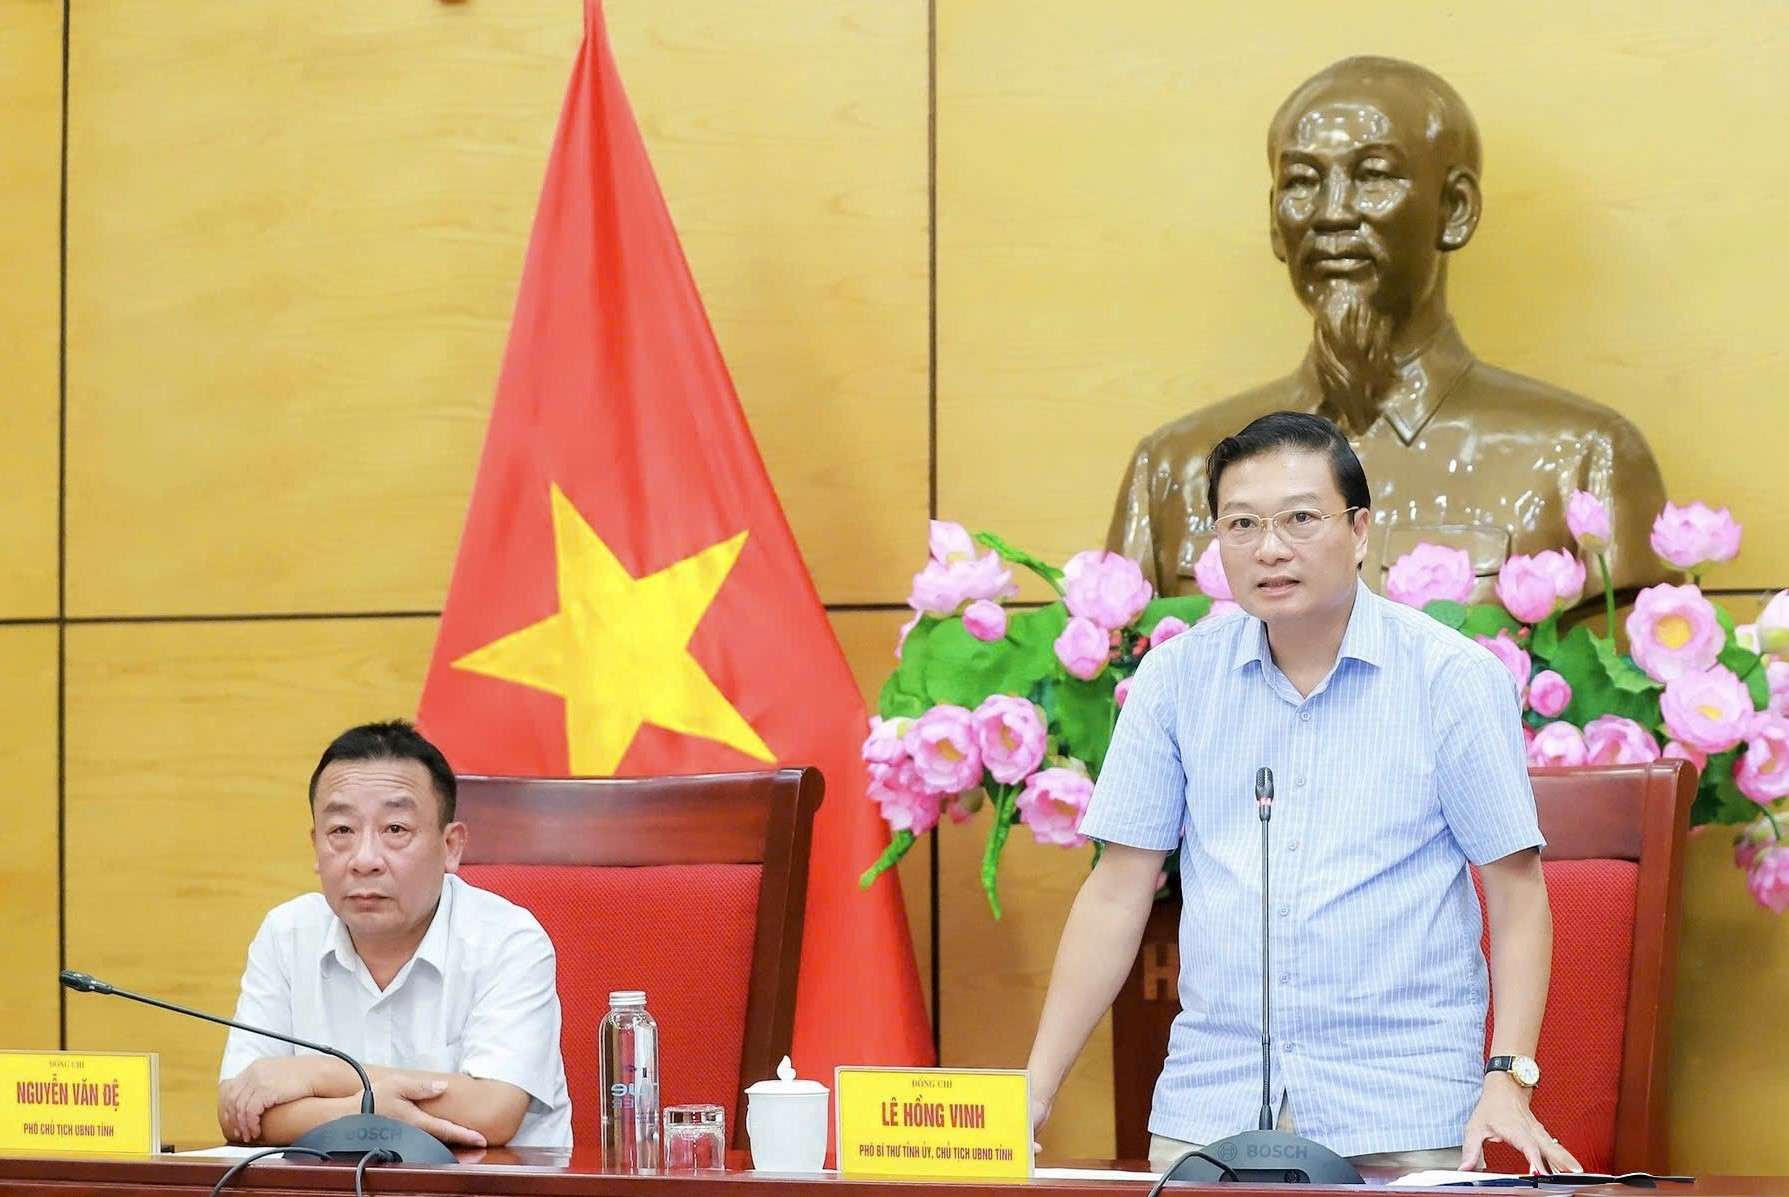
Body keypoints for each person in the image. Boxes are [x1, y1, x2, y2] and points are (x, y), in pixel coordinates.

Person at [1029, 412, 1582, 1174]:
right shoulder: (1174, 680)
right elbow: (1115, 894)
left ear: (1358, 530)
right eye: (1241, 524)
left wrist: (1507, 1078)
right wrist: (1035, 1087)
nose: (1268, 548)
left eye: (1298, 519)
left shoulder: (1448, 679)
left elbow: (1517, 898)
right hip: (1209, 1114)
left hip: (1401, 1109)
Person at [1108, 57, 1669, 604]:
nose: (1330, 213)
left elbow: (1615, 689)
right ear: (1275, 223)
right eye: (1302, 181)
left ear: (1455, 209)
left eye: (1372, 176)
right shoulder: (1173, 470)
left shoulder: (1582, 460)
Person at [216, 720, 571, 1148]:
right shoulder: (286, 934)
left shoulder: (508, 939)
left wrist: (317, 1074)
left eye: (395, 830)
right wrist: (366, 1110)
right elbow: (239, 1111)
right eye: (341, 831)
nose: (365, 859)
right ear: (316, 845)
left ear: (451, 847)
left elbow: (492, 1111)